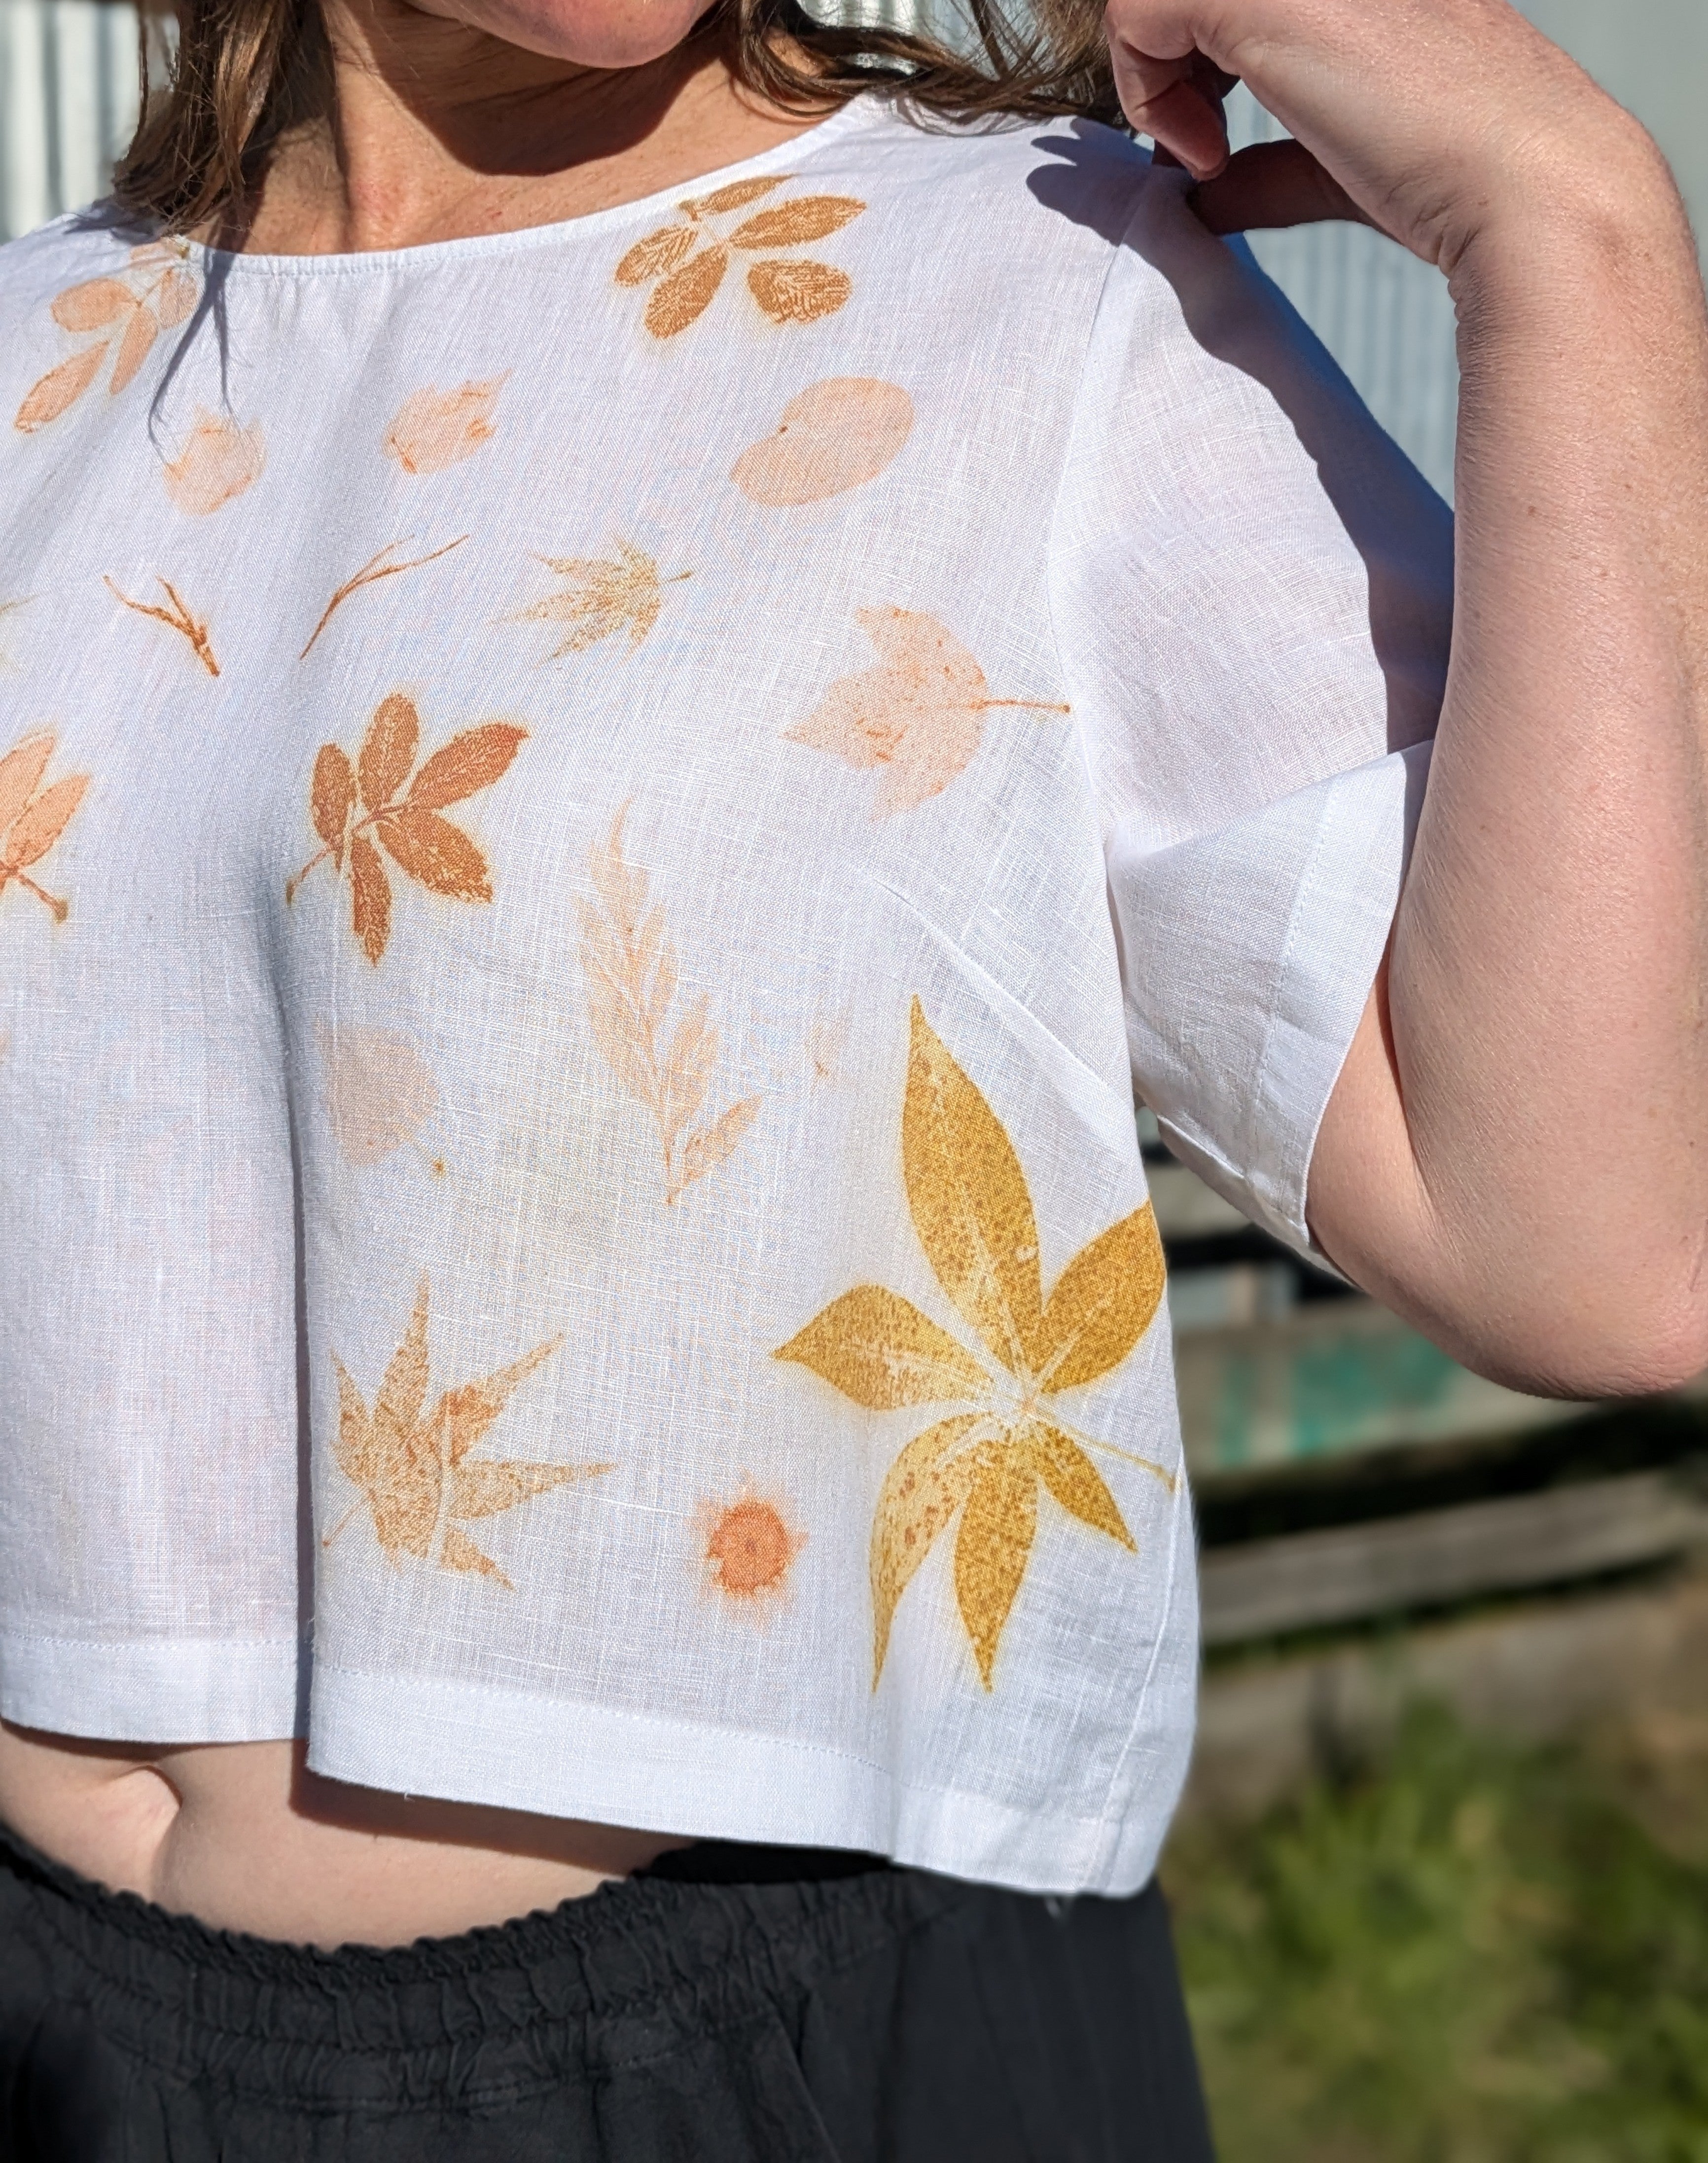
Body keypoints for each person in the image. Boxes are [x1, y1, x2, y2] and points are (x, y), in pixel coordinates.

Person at [0, 0, 1703, 2147]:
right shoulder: (41, 352)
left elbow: (1586, 1239)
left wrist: (1574, 224)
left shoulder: (1031, 288)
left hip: (751, 2058)